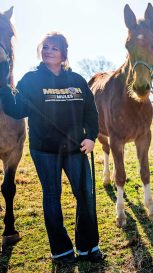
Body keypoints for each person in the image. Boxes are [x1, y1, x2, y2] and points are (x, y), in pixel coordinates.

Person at [0, 32, 104, 263]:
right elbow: (17, 110)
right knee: (52, 196)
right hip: (45, 150)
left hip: (76, 148)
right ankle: (62, 251)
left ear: (63, 54)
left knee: (85, 195)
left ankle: (88, 247)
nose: (48, 50)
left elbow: (90, 112)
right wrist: (4, 86)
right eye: (45, 47)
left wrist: (91, 137)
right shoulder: (31, 80)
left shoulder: (77, 80)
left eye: (54, 48)